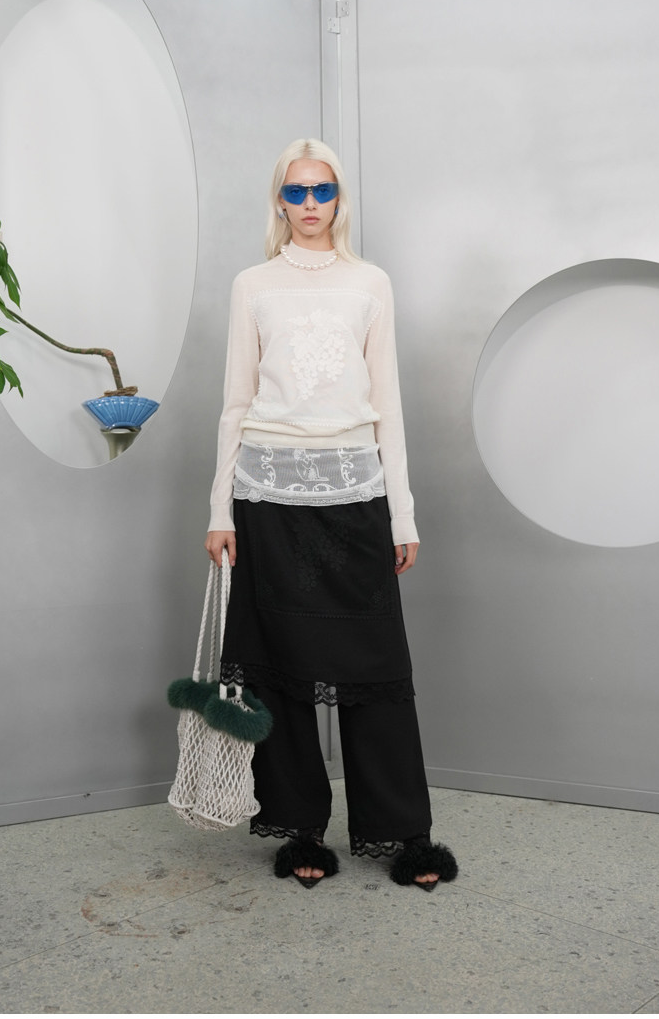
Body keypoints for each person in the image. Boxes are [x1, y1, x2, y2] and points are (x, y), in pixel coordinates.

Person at [205, 138, 458, 891]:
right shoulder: (253, 285)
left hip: (354, 495)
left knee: (374, 668)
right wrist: (219, 509)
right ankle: (301, 830)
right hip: (266, 498)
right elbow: (235, 403)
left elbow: (388, 406)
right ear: (279, 200)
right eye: (296, 191)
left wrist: (402, 516)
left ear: (339, 199)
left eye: (322, 191)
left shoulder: (369, 283)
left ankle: (403, 833)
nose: (310, 204)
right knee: (279, 668)